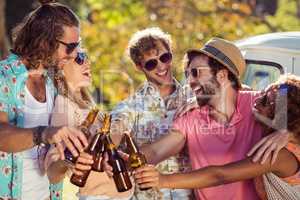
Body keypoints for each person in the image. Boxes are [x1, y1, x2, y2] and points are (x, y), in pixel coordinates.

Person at [104, 37, 264, 200]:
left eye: (196, 73)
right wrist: (120, 159)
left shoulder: (257, 104)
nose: (190, 82)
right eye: (151, 63)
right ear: (139, 66)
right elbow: (152, 148)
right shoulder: (189, 113)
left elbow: (286, 97)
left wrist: (287, 132)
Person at [134, 74, 300, 200]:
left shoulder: (278, 153)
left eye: (263, 101)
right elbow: (283, 90)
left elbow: (220, 175)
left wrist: (163, 180)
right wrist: (204, 98)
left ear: (279, 115)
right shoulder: (279, 123)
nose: (256, 101)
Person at [0, 0, 89, 199]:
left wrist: (67, 160)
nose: (75, 54)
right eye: (70, 47)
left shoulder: (52, 83)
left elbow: (50, 163)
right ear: (45, 41)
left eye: (78, 46)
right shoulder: (3, 76)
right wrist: (44, 133)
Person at [108, 27, 193, 200]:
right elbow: (115, 130)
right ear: (139, 66)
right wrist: (109, 145)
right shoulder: (130, 106)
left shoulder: (193, 98)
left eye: (164, 57)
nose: (161, 66)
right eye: (151, 63)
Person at [45, 51, 133, 200]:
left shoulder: (85, 106)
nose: (87, 63)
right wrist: (119, 126)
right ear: (60, 69)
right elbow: (54, 165)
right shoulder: (64, 107)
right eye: (79, 58)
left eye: (86, 57)